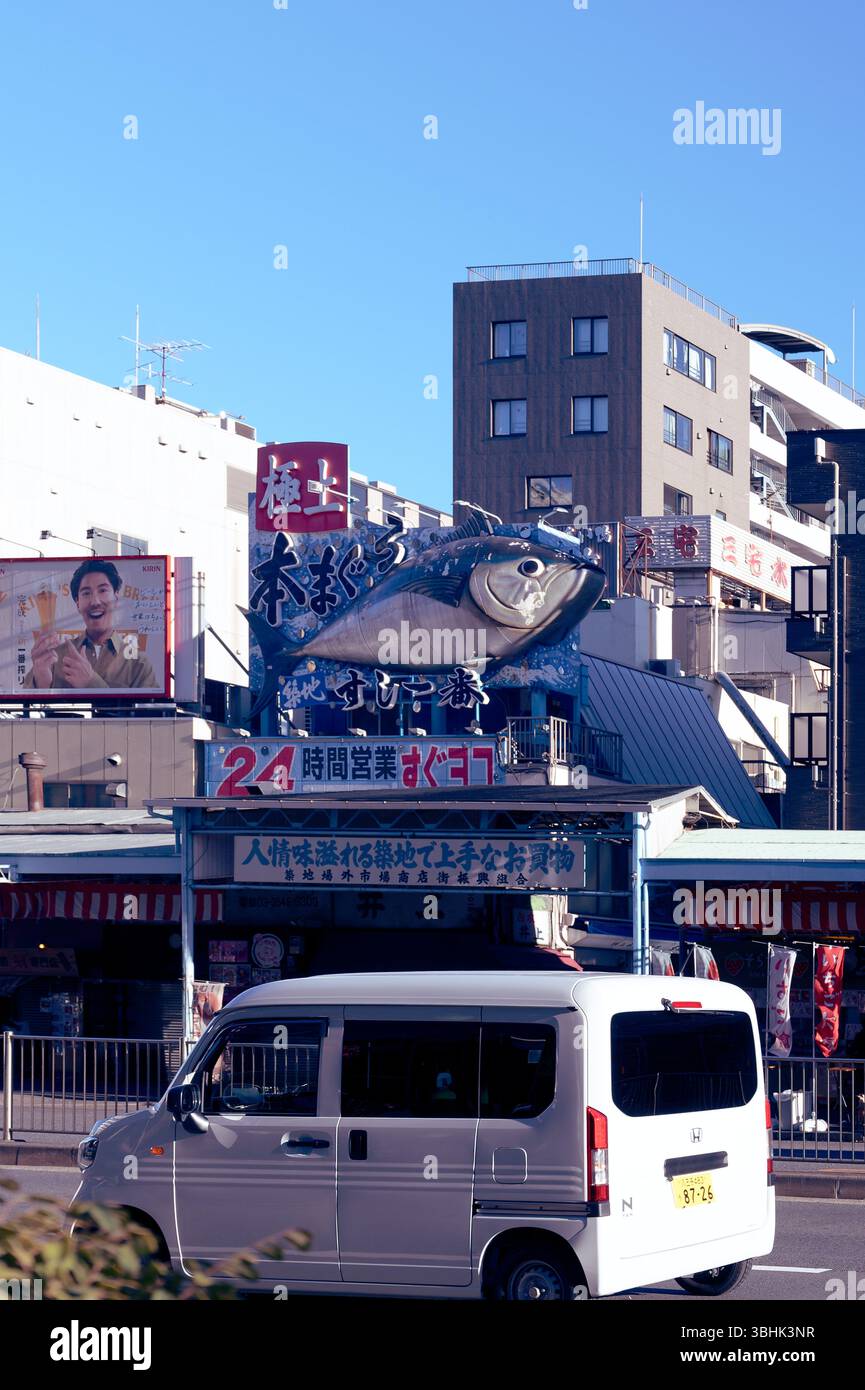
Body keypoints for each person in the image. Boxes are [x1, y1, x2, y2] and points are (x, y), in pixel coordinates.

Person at [23, 558, 158, 690]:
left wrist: (91, 682)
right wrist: (41, 682)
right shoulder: (55, 656)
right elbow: (25, 707)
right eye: (86, 593)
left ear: (116, 597)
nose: (95, 602)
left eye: (103, 590)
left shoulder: (138, 663)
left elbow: (150, 711)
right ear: (77, 603)